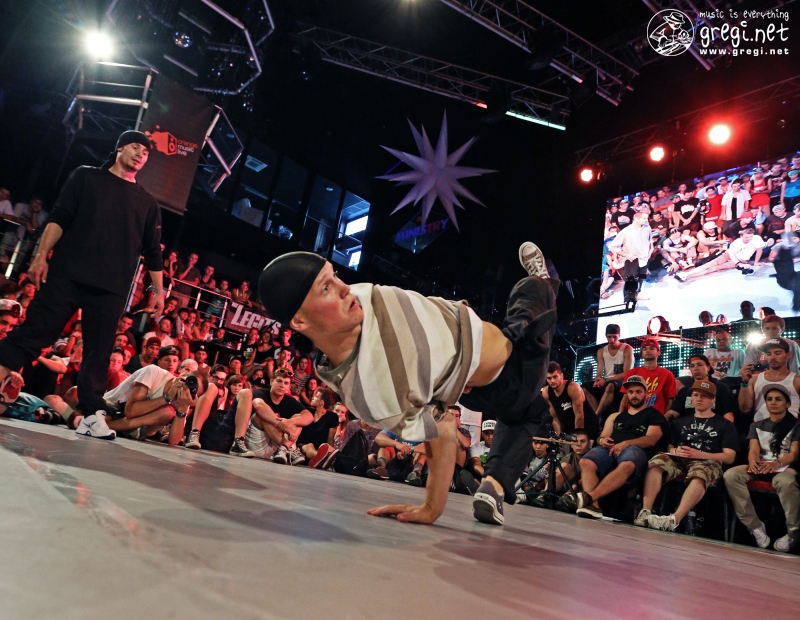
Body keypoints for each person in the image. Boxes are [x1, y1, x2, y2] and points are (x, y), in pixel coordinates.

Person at [256, 242, 557, 525]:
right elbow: (442, 428)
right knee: (530, 298)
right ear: (300, 322)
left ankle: (494, 485)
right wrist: (432, 506)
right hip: (514, 369)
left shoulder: (349, 307)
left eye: (334, 275)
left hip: (470, 381)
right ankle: (545, 281)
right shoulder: (375, 393)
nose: (344, 288)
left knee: (529, 411)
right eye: (326, 287)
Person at [0, 130, 164, 440]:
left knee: (98, 353)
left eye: (145, 152)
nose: (140, 154)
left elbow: (153, 250)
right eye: (135, 147)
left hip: (111, 287)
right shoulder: (87, 176)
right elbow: (59, 217)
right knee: (36, 331)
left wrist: (159, 289)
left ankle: (91, 415)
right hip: (68, 273)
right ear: (119, 148)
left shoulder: (147, 201)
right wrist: (40, 256)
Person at [636, 380, 738, 532]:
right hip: (680, 458)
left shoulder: (724, 424)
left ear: (713, 399)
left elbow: (730, 457)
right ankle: (645, 512)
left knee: (701, 473)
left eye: (704, 396)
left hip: (707, 461)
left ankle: (674, 519)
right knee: (656, 462)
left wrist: (701, 454)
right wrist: (674, 451)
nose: (699, 399)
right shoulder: (680, 422)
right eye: (696, 395)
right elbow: (670, 445)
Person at [576, 375, 665, 519]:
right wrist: (602, 441)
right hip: (610, 449)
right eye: (631, 392)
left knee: (628, 463)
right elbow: (601, 437)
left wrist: (625, 444)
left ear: (646, 393)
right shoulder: (615, 416)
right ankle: (594, 506)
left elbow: (651, 439)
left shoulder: (654, 415)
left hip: (636, 450)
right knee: (586, 461)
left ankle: (590, 497)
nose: (634, 395)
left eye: (638, 392)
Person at [724, 384, 800, 551]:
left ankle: (794, 532)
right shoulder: (757, 425)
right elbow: (753, 449)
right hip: (762, 465)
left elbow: (794, 453)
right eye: (769, 399)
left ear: (787, 403)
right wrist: (752, 462)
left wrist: (776, 463)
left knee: (785, 481)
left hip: (784, 466)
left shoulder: (796, 425)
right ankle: (755, 526)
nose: (773, 402)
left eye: (778, 399)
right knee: (731, 475)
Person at [739, 338, 800, 423]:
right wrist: (744, 382)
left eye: (777, 353)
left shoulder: (797, 380)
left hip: (790, 429)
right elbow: (745, 409)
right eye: (768, 353)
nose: (772, 357)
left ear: (788, 355)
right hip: (760, 429)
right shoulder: (754, 379)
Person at [666, 355, 734, 423]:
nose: (696, 368)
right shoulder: (685, 391)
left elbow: (728, 414)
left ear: (708, 367)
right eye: (692, 366)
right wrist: (662, 422)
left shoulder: (721, 388)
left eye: (699, 365)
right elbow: (673, 412)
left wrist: (726, 428)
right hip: (689, 427)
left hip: (714, 427)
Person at [542, 361, 599, 440]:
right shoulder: (546, 392)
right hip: (568, 428)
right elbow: (555, 418)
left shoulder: (572, 388)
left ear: (562, 376)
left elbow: (579, 416)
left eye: (555, 377)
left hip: (587, 425)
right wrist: (559, 438)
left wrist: (576, 438)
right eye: (549, 378)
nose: (552, 381)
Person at [619, 338, 676, 415]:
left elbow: (670, 400)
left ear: (658, 352)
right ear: (642, 354)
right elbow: (625, 399)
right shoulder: (632, 373)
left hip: (655, 417)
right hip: (633, 416)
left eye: (652, 348)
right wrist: (619, 418)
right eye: (645, 349)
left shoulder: (667, 374)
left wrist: (664, 419)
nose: (648, 351)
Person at [587, 324, 633, 418]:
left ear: (619, 336)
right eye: (609, 337)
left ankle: (596, 416)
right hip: (607, 380)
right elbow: (599, 372)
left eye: (614, 337)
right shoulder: (601, 351)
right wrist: (598, 380)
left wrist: (607, 379)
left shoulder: (627, 349)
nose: (612, 340)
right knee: (585, 387)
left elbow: (627, 373)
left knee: (610, 385)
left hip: (621, 381)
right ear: (606, 336)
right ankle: (598, 416)